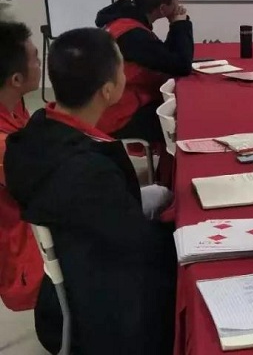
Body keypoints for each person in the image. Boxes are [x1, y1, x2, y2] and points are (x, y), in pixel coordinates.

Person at [4, 28, 176, 354]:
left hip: (71, 273)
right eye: (122, 68)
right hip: (102, 305)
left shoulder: (36, 130)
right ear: (108, 90)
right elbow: (139, 243)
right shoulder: (87, 170)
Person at [95, 0, 193, 142]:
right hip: (118, 118)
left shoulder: (124, 20)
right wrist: (180, 25)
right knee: (184, 118)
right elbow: (181, 66)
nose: (179, 2)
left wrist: (176, 25)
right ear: (162, 8)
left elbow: (164, 57)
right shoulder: (133, 35)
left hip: (110, 106)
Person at [0, 21, 44, 312]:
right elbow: (44, 188)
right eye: (36, 59)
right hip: (23, 247)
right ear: (16, 79)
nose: (40, 65)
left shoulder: (14, 105)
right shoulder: (3, 147)